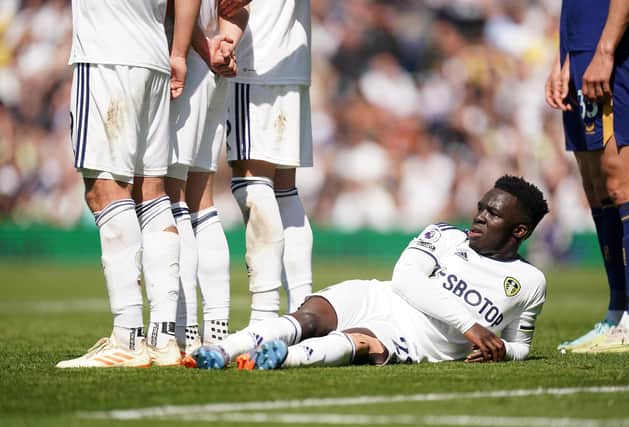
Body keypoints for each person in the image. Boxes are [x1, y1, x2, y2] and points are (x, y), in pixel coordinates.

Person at [189, 175, 549, 370]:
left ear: (519, 231)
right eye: (481, 207)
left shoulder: (530, 283)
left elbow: (520, 346)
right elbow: (407, 279)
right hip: (381, 295)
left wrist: (503, 351)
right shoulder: (444, 235)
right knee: (309, 318)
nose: (480, 216)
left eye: (493, 214)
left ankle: (281, 358)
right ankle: (222, 350)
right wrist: (470, 326)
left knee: (359, 341)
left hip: (414, 339)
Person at [56, 0, 201, 368]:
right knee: (152, 194)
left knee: (105, 191)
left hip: (107, 53)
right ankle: (163, 339)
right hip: (153, 55)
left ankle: (127, 338)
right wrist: (179, 52)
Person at [545, 0, 629, 352]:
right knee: (597, 185)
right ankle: (618, 314)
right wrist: (566, 60)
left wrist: (605, 50)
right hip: (581, 50)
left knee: (624, 179)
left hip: (619, 50)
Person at [165, 0, 248, 357]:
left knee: (171, 198)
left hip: (188, 62)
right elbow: (239, 7)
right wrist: (226, 44)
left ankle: (184, 329)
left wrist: (201, 48)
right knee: (201, 199)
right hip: (214, 68)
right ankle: (216, 326)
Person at [224, 0, 314, 323]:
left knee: (252, 184)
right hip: (291, 61)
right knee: (284, 189)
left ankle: (263, 318)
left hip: (255, 59)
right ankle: (303, 310)